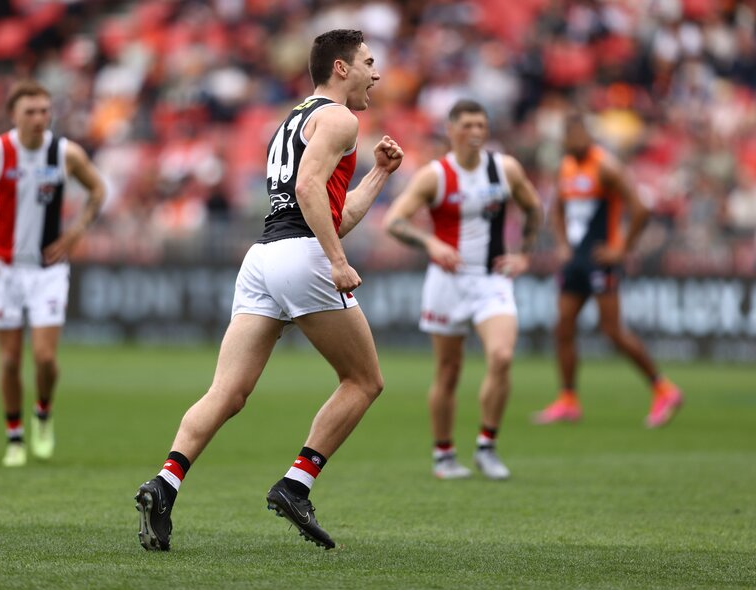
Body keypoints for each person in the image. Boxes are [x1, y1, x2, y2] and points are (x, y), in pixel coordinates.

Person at [134, 29, 403, 552]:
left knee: (226, 393)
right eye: (369, 62)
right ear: (341, 69)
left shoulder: (294, 119)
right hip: (302, 256)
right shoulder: (341, 118)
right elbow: (308, 192)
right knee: (364, 380)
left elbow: (331, 210)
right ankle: (296, 484)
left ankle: (164, 484)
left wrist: (379, 176)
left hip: (262, 259)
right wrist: (337, 262)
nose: (377, 73)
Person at [383, 99, 542, 481]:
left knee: (502, 356)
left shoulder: (504, 169)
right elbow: (395, 221)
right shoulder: (435, 176)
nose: (475, 132)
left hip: (491, 279)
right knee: (448, 372)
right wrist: (432, 244)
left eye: (481, 125)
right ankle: (444, 454)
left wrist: (524, 255)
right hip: (447, 282)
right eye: (468, 125)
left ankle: (487, 445)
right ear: (451, 130)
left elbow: (534, 208)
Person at [0, 80, 106, 467]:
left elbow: (98, 190)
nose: (39, 118)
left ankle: (43, 411)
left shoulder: (65, 153)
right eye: (30, 112)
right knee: (8, 361)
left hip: (48, 269)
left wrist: (76, 232)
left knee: (44, 358)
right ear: (14, 116)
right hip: (3, 268)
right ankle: (15, 436)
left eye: (44, 110)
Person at [532, 113, 682, 427]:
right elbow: (557, 209)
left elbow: (640, 208)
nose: (576, 141)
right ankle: (568, 399)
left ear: (589, 137)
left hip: (601, 259)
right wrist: (561, 244)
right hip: (576, 260)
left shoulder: (605, 166)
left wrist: (622, 250)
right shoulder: (566, 168)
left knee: (612, 331)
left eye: (581, 135)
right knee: (563, 328)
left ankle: (663, 388)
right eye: (571, 136)